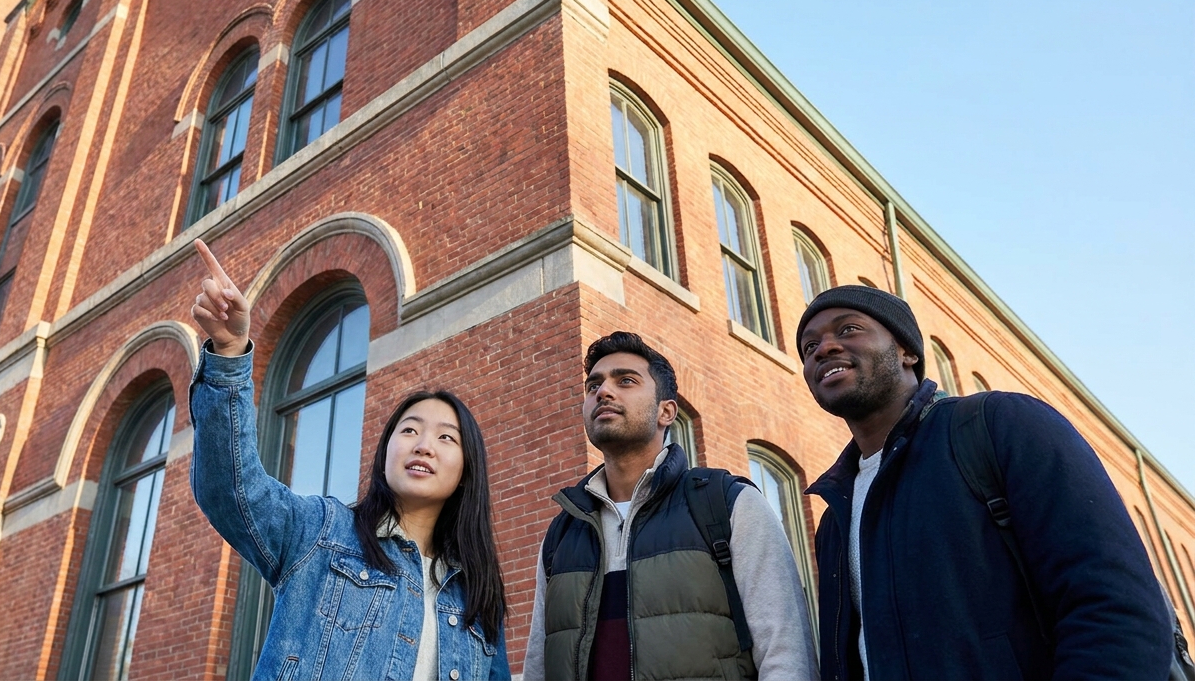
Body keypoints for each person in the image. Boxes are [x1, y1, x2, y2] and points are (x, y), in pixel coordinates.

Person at [796, 284, 1171, 680]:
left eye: (849, 329)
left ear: (907, 351)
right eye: (809, 347)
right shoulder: (834, 519)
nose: (824, 348)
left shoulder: (1001, 425)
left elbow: (1115, 607)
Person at [187, 239, 509, 680]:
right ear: (385, 454)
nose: (423, 445)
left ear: (467, 471)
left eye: (446, 438)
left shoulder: (477, 595)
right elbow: (231, 490)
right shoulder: (321, 533)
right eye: (409, 430)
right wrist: (228, 354)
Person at [523, 331, 818, 681]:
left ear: (666, 411)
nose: (603, 392)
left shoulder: (728, 504)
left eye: (626, 381)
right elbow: (538, 666)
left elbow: (786, 654)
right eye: (593, 386)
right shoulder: (562, 532)